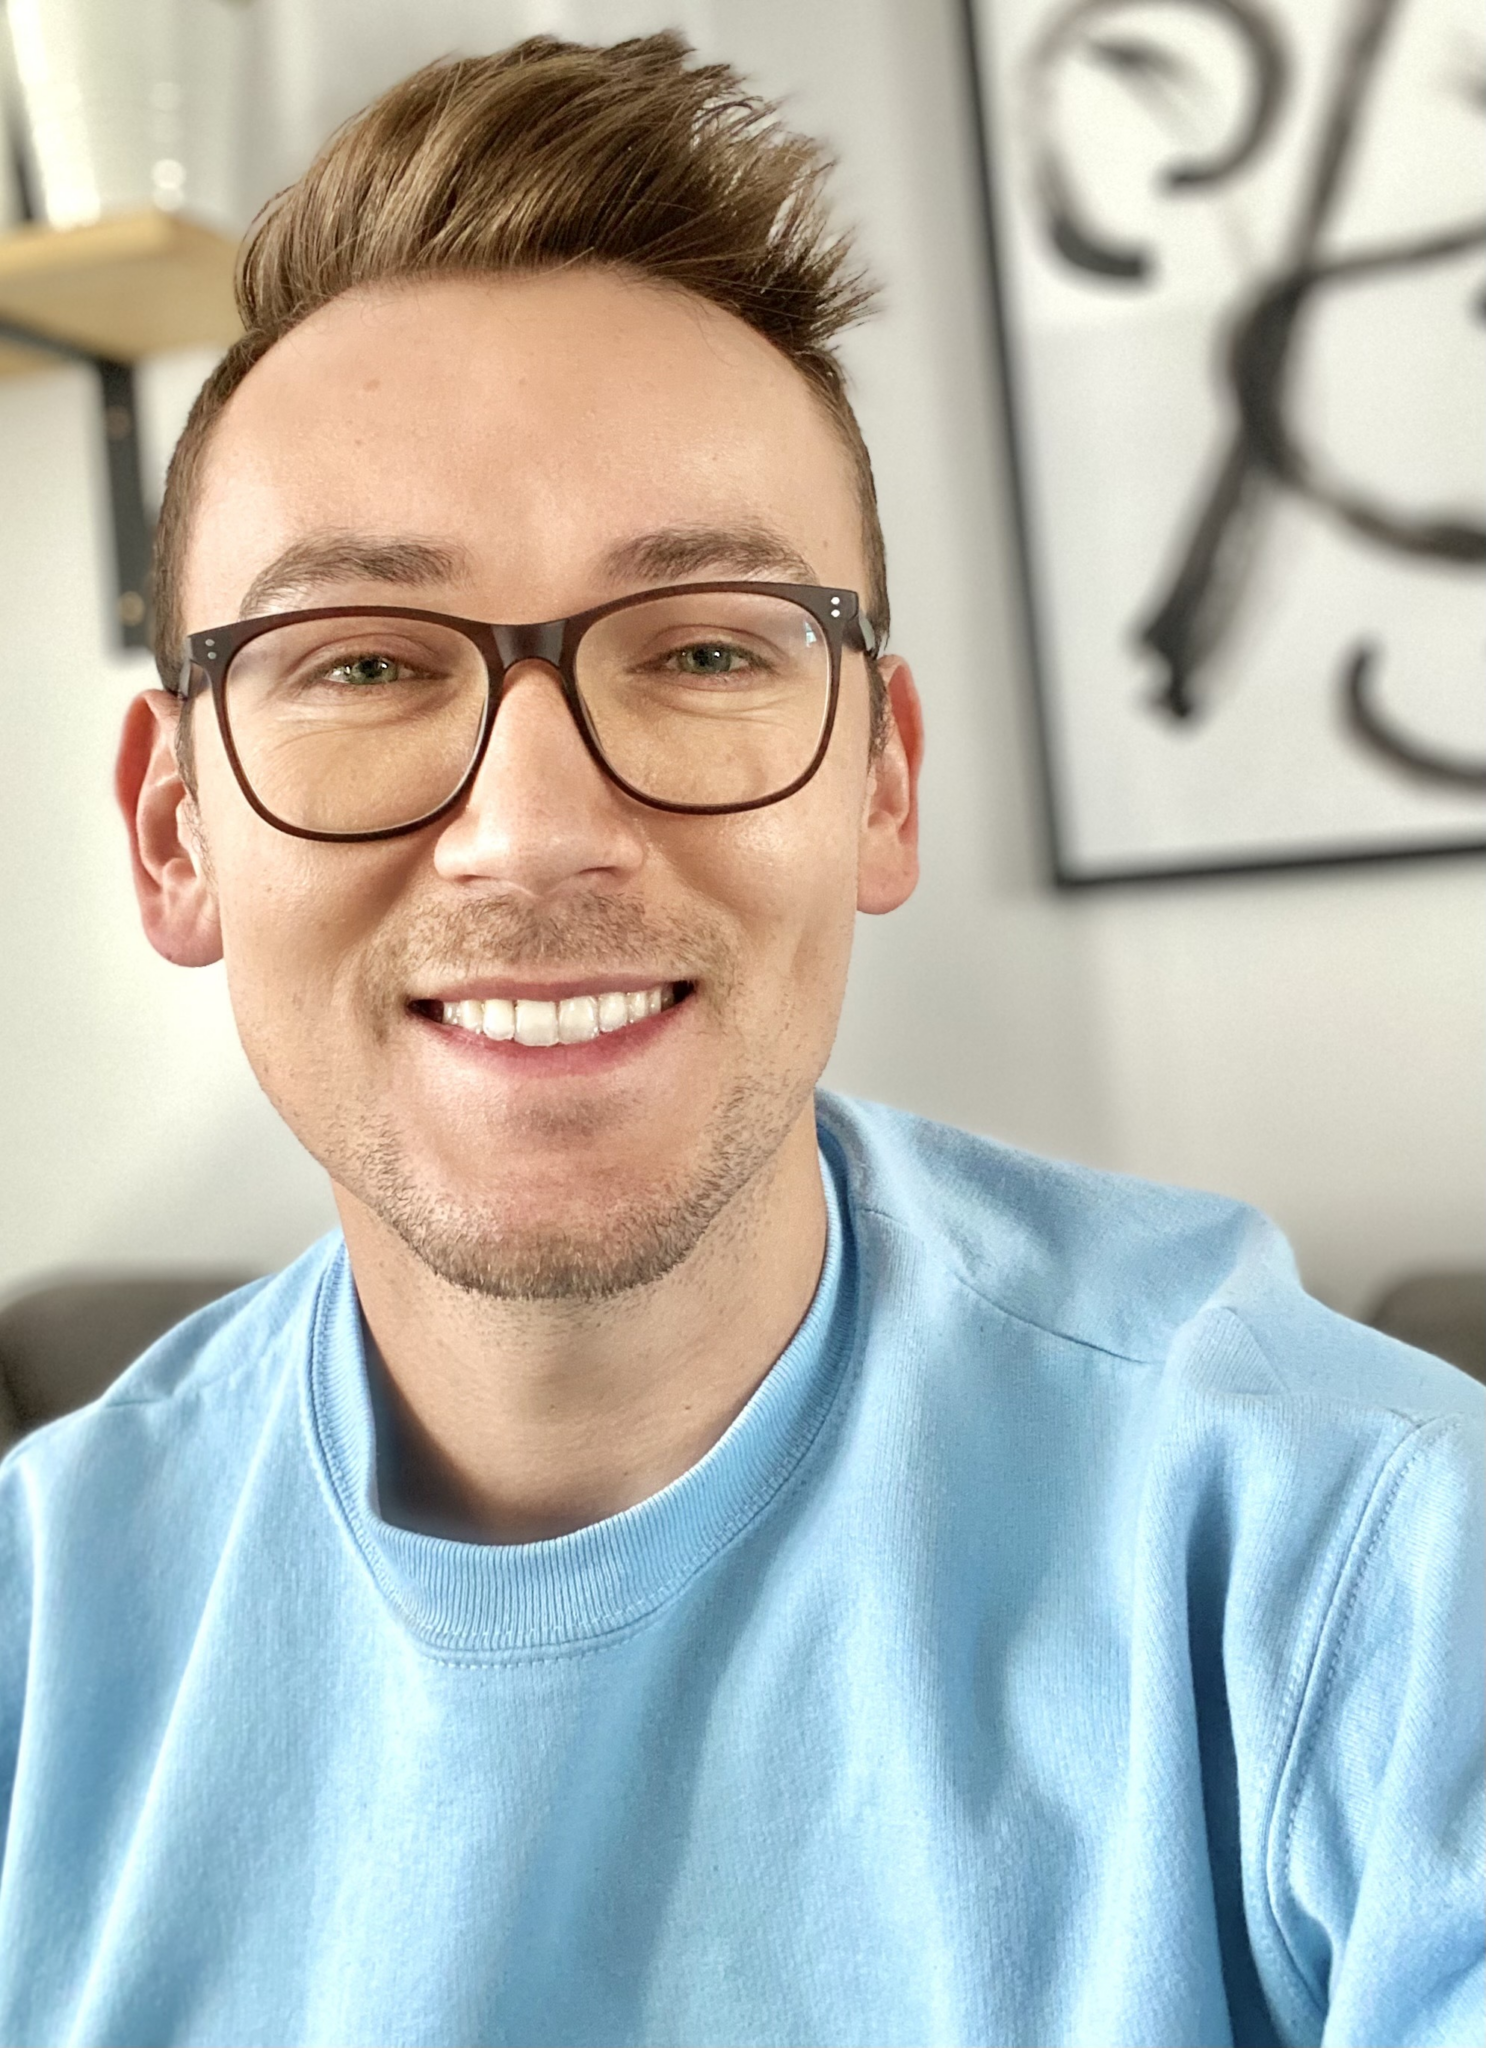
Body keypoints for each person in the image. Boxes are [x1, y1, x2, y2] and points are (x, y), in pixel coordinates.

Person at [0, 31, 1480, 2048]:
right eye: (357, 660)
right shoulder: (33, 1631)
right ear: (176, 831)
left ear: (877, 784)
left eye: (701, 646)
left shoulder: (1363, 1559)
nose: (532, 830)